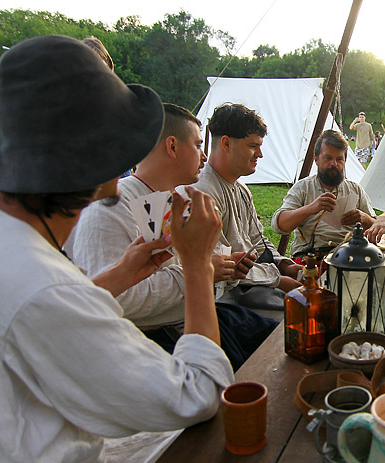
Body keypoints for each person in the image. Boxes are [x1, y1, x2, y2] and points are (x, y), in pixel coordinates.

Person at [0, 35, 234, 463]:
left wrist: (116, 277)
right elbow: (197, 394)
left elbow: (24, 317)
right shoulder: (42, 286)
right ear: (103, 156)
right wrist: (197, 265)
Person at [67, 103, 277, 370]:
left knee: (277, 341)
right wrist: (200, 271)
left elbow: (180, 263)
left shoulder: (173, 200)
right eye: (198, 145)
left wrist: (223, 264)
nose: (204, 156)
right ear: (172, 147)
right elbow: (117, 299)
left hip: (190, 321)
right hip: (149, 340)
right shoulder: (111, 208)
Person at [194, 103, 302, 318]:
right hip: (227, 295)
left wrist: (283, 263)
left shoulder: (242, 189)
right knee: (299, 314)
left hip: (256, 282)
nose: (259, 154)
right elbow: (223, 268)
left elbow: (258, 240)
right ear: (226, 143)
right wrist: (279, 279)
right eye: (253, 146)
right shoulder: (203, 193)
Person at [272, 129, 376, 258]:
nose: (334, 164)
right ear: (316, 159)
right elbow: (280, 225)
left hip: (348, 257)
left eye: (339, 159)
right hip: (309, 256)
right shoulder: (303, 187)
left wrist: (364, 218)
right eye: (328, 158)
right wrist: (310, 208)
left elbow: (377, 230)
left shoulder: (355, 190)